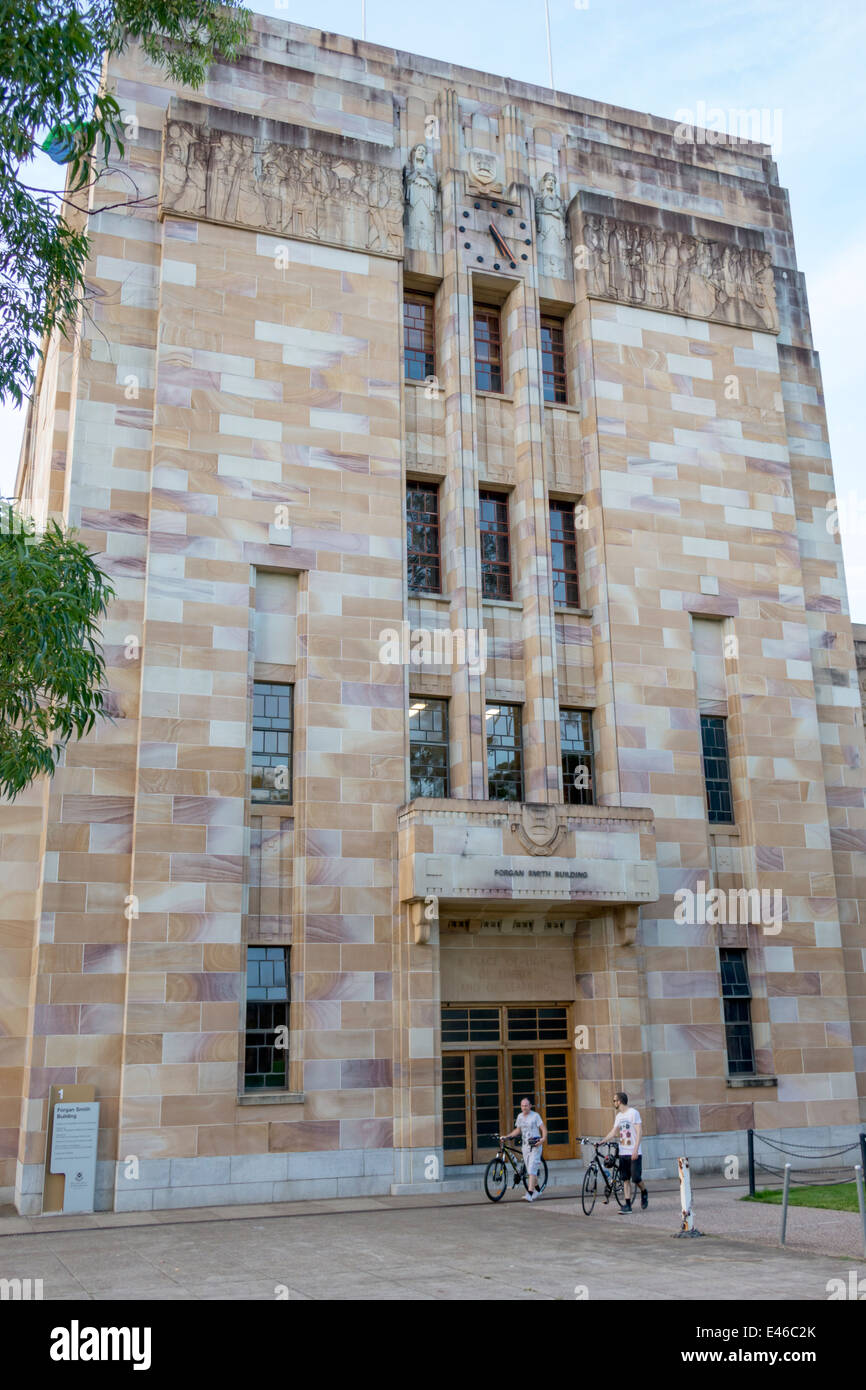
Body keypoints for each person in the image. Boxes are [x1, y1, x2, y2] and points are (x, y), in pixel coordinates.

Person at [604, 1092, 648, 1214]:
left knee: (636, 1178)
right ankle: (627, 1205)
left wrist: (635, 1149)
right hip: (623, 1152)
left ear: (620, 1101)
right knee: (625, 1179)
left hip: (634, 1152)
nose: (614, 1103)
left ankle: (644, 1191)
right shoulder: (618, 1116)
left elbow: (639, 1132)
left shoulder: (633, 1113)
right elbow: (613, 1132)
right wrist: (602, 1141)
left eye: (614, 1100)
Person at [504, 1097, 547, 1202]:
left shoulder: (535, 1116)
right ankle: (537, 1190)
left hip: (535, 1146)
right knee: (530, 1170)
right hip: (525, 1147)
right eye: (522, 1106)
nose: (524, 1107)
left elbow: (543, 1129)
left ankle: (530, 1193)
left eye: (526, 1105)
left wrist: (542, 1139)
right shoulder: (519, 1117)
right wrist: (507, 1137)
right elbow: (518, 1130)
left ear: (530, 1106)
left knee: (532, 1168)